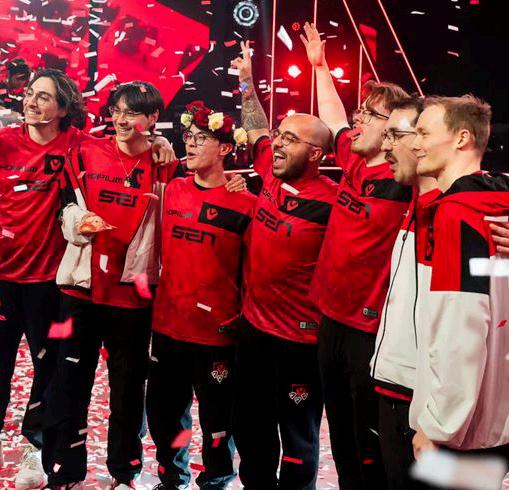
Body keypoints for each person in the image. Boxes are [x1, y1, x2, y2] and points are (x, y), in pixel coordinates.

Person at [0, 69, 175, 490]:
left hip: (61, 285)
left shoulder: (84, 145)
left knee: (65, 380)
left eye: (44, 97)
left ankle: (53, 454)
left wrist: (161, 143)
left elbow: (135, 148)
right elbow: (71, 203)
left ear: (64, 108)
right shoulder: (13, 142)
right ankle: (55, 463)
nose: (32, 102)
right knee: (41, 379)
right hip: (25, 283)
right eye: (30, 94)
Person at [301, 22, 411, 489]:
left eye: (371, 113)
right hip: (329, 317)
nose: (357, 119)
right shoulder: (354, 159)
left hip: (371, 331)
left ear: (396, 130)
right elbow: (335, 120)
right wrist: (320, 67)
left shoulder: (409, 182)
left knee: (372, 444)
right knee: (341, 434)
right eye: (361, 110)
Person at [230, 41, 337, 490]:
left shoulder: (334, 204)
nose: (277, 143)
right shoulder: (271, 174)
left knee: (297, 440)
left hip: (301, 344)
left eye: (291, 139)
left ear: (317, 154)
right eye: (280, 134)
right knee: (250, 427)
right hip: (253, 332)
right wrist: (246, 80)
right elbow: (255, 127)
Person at [147, 101, 255, 490]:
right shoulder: (173, 189)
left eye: (202, 138)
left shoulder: (247, 204)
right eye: (188, 137)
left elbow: (255, 271)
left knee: (217, 422)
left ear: (225, 148)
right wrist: (159, 140)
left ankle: (216, 480)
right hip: (168, 326)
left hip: (216, 334)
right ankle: (171, 477)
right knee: (164, 415)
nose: (190, 144)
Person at [409, 95, 509, 481]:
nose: (415, 144)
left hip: (467, 429)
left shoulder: (457, 213)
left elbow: (461, 325)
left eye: (423, 133)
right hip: (497, 416)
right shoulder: (497, 201)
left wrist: (439, 425)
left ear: (462, 138)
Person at [369, 97, 437, 489]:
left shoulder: (468, 211)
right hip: (396, 386)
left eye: (396, 135)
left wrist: (439, 417)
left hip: (429, 405)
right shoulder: (414, 201)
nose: (385, 146)